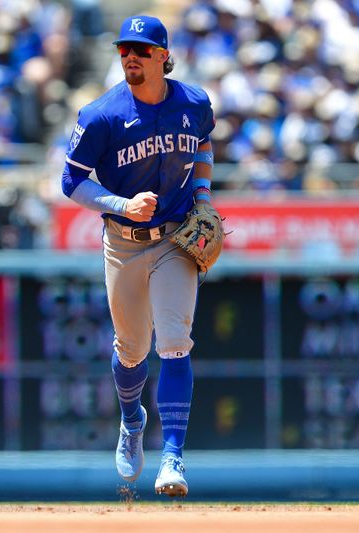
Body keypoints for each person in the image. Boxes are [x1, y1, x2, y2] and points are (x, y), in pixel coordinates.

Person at [60, 14, 217, 497]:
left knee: (174, 342)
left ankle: (173, 457)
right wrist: (119, 204)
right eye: (124, 49)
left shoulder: (194, 102)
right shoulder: (101, 115)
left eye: (141, 50)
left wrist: (205, 196)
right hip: (124, 241)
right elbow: (71, 182)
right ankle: (132, 421)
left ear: (163, 57)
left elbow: (204, 144)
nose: (130, 56)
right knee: (130, 350)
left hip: (175, 239)